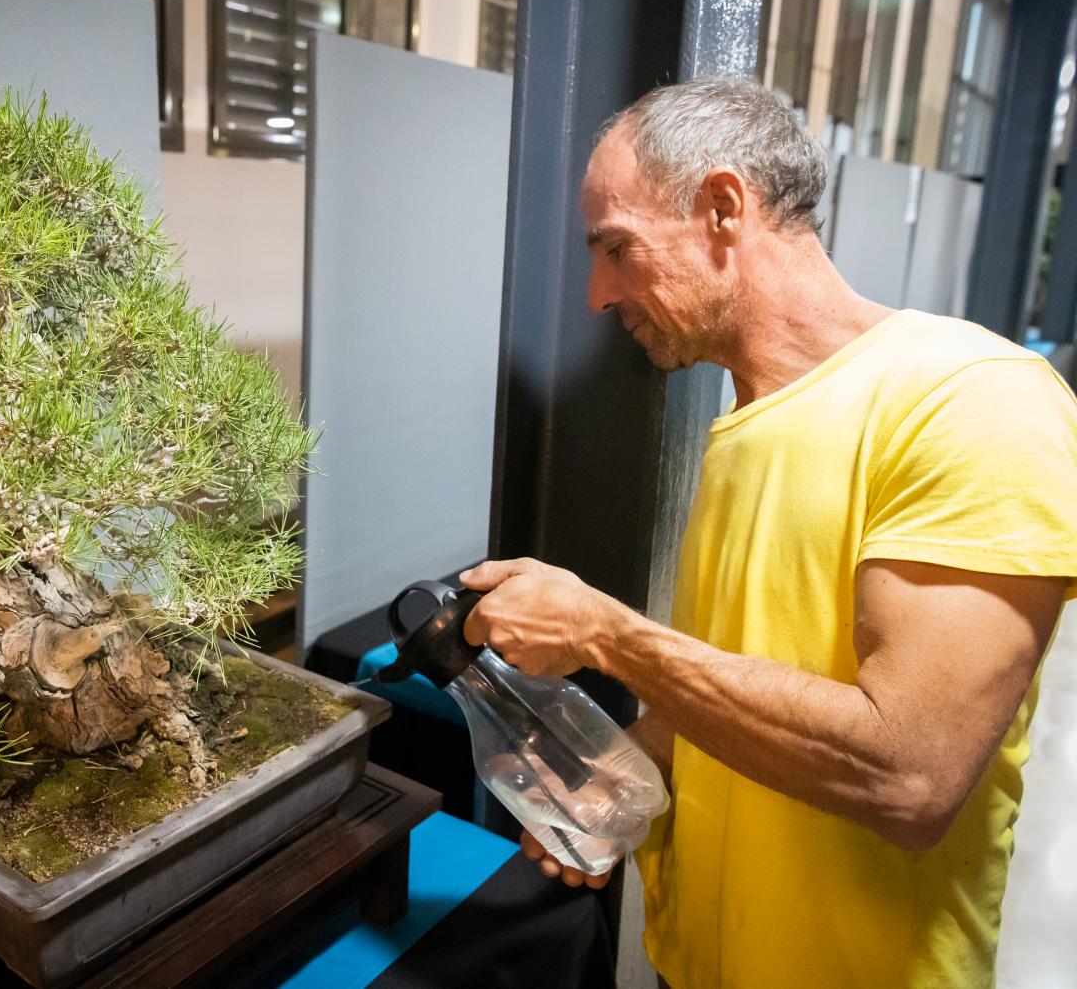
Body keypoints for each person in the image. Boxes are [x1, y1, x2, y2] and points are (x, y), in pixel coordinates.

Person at [460, 78, 1077, 988]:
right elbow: (730, 679)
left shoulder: (972, 402)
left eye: (617, 249)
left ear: (721, 207)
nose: (597, 293)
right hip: (696, 962)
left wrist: (606, 633)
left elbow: (909, 775)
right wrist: (624, 780)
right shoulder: (749, 420)